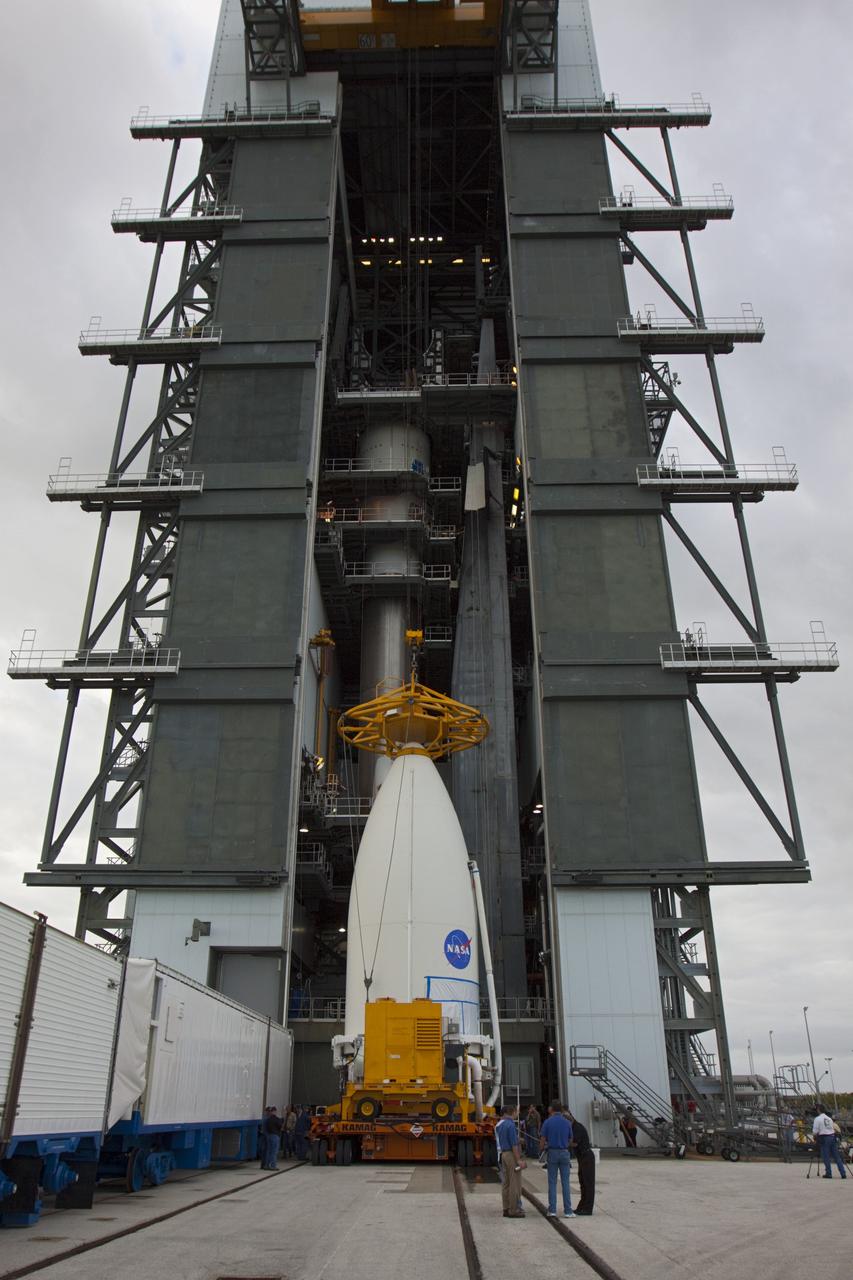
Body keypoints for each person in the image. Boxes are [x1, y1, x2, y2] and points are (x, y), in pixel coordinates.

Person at [539, 1099, 573, 1218]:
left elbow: (543, 1139)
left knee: (552, 1182)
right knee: (565, 1183)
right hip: (564, 1153)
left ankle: (552, 1209)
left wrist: (542, 1148)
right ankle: (568, 1210)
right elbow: (570, 1140)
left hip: (552, 1153)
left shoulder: (547, 1122)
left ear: (551, 1109)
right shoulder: (567, 1122)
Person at [495, 1104, 527, 1218]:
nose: (517, 1114)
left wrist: (517, 1139)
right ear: (512, 1112)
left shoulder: (500, 1124)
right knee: (515, 1183)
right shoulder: (510, 1124)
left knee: (506, 1183)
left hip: (503, 1154)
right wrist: (518, 1160)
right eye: (516, 1112)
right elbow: (513, 1144)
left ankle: (506, 1208)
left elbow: (506, 1138)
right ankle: (514, 1210)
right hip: (511, 1155)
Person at [566, 1109, 595, 1215]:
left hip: (586, 1157)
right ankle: (581, 1206)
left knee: (588, 1183)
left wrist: (561, 1143)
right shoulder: (573, 1127)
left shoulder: (577, 1128)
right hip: (581, 1158)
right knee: (582, 1183)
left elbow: (574, 1143)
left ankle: (587, 1208)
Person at [812, 1106, 847, 1179]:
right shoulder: (829, 1119)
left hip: (824, 1138)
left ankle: (829, 1173)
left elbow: (815, 1132)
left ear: (818, 1110)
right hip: (832, 1137)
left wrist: (815, 1137)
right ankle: (843, 1173)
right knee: (836, 1156)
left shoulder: (817, 1119)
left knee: (826, 1156)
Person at [262, 1106, 283, 1170]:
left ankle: (266, 1165)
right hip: (275, 1136)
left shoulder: (267, 1119)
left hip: (269, 1136)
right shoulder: (277, 1119)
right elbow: (280, 1127)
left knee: (269, 1151)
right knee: (274, 1152)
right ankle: (273, 1166)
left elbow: (265, 1128)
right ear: (275, 1111)